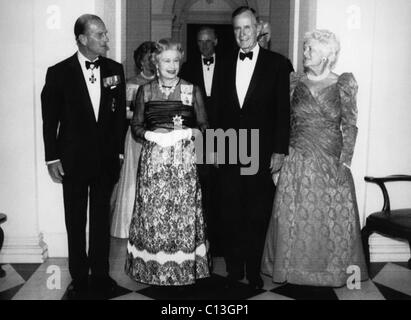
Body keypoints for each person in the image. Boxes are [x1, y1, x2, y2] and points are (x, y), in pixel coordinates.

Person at [261, 29, 368, 287]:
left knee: (330, 220)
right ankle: (293, 272)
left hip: (331, 160)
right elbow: (285, 122)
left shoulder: (343, 83)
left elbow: (350, 125)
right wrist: (281, 161)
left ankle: (330, 274)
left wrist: (344, 161)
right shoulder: (293, 81)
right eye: (305, 48)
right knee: (294, 218)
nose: (305, 53)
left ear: (326, 55)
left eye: (310, 49)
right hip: (297, 158)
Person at [41, 14, 126, 298]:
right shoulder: (58, 72)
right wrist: (51, 158)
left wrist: (120, 154)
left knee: (101, 221)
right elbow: (49, 120)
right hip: (72, 162)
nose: (106, 39)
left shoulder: (116, 69)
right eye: (100, 34)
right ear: (82, 38)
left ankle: (101, 275)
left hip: (105, 162)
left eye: (105, 34)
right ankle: (79, 277)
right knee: (75, 221)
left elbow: (118, 120)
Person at [125, 39, 210, 286]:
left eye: (175, 60)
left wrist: (187, 133)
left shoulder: (191, 89)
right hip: (153, 162)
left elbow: (204, 124)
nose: (172, 65)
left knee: (181, 214)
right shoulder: (146, 90)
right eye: (166, 60)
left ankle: (182, 271)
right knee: (154, 214)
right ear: (156, 62)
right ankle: (152, 271)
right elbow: (136, 126)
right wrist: (150, 135)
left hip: (182, 162)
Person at [217, 7, 290, 289]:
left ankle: (255, 269)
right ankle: (234, 269)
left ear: (258, 29)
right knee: (231, 211)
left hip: (261, 152)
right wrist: (212, 152)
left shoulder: (278, 64)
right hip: (229, 148)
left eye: (247, 28)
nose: (242, 34)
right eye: (237, 29)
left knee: (257, 214)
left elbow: (283, 113)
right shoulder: (223, 63)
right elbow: (217, 111)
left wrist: (279, 150)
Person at [180, 26, 224, 258]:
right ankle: (200, 241)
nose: (205, 45)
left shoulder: (228, 65)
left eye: (208, 41)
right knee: (201, 187)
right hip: (197, 136)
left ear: (215, 41)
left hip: (226, 137)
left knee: (222, 188)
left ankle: (220, 240)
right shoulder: (187, 68)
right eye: (200, 42)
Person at [110, 41, 156, 239]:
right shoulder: (131, 84)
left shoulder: (164, 82)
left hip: (158, 137)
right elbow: (125, 113)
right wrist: (143, 117)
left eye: (155, 58)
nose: (152, 63)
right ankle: (131, 224)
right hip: (137, 136)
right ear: (141, 62)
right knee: (135, 178)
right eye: (148, 59)